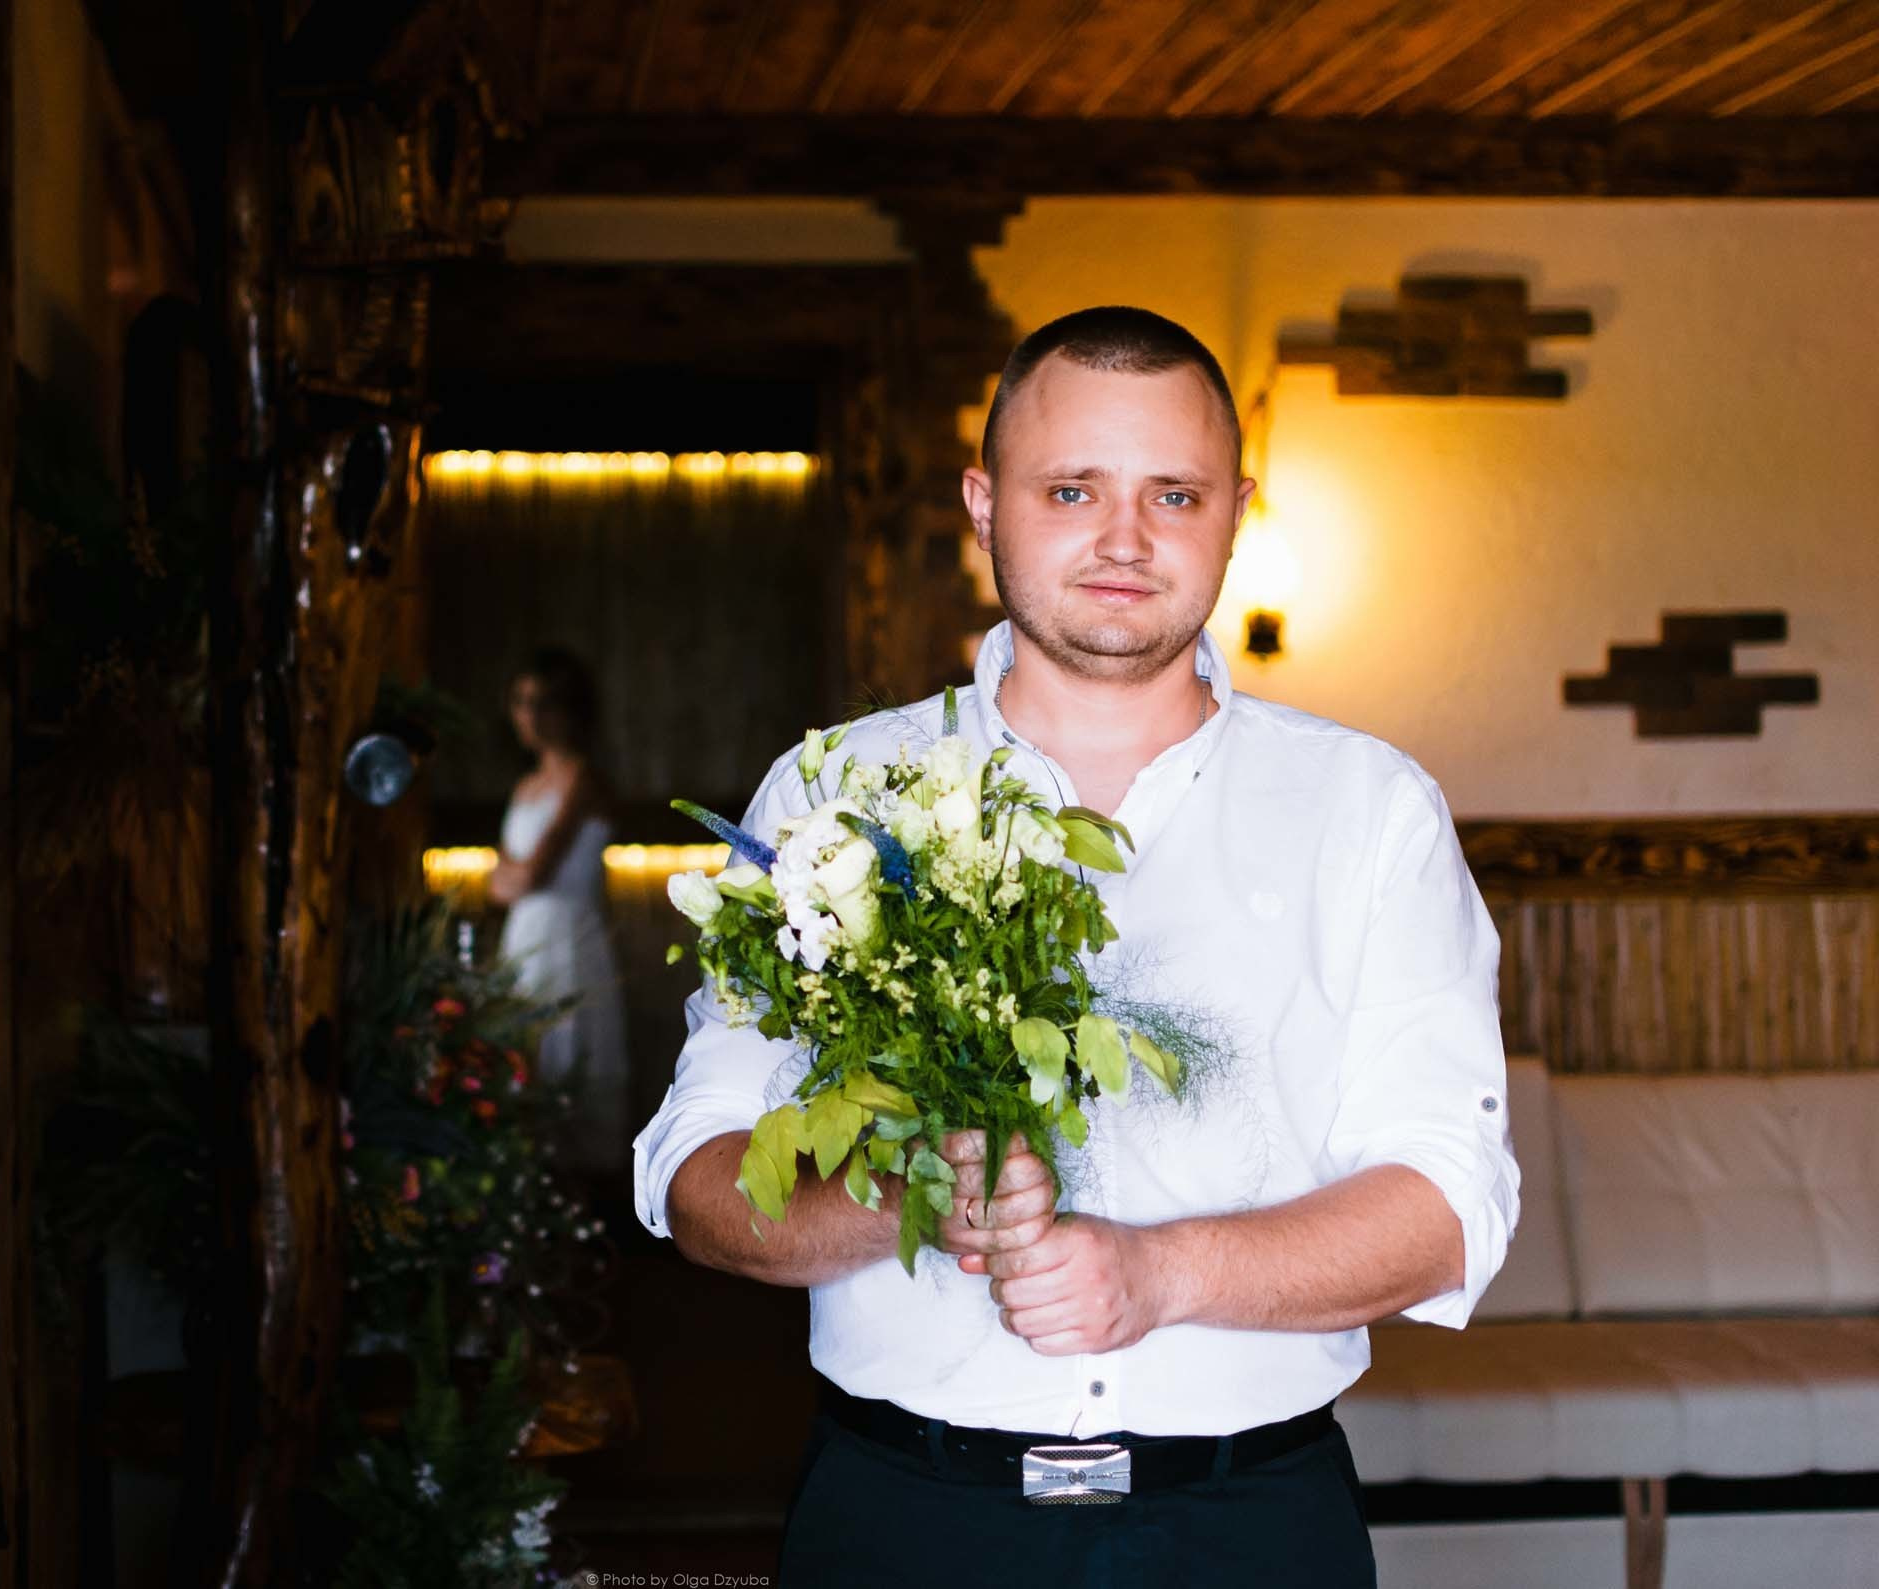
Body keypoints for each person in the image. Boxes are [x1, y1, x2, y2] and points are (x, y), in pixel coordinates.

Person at [631, 307, 1518, 1584]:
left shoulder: (1370, 808)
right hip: (903, 1520)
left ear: (1235, 513)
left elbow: (1447, 1204)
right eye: (1071, 489)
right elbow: (699, 1177)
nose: (1125, 539)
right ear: (984, 505)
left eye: (1175, 494)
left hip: (1250, 1528)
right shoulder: (836, 793)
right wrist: (901, 1196)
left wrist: (1158, 1272)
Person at [492, 646, 629, 1175]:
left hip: (568, 935)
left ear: (569, 710)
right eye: (520, 702)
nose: (529, 715)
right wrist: (512, 876)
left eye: (542, 702)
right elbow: (496, 887)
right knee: (523, 1058)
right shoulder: (523, 786)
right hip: (523, 935)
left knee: (571, 1056)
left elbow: (528, 874)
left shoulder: (584, 780)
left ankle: (580, 1192)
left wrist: (514, 875)